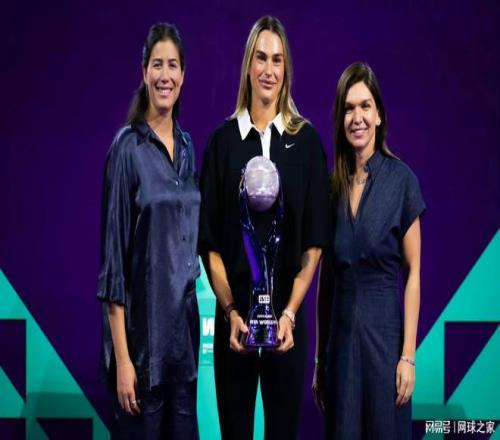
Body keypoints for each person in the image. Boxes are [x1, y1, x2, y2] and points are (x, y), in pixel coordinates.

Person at [199, 15, 331, 440]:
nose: (269, 69)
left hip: (288, 325)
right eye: (261, 58)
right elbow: (210, 244)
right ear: (248, 66)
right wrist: (231, 312)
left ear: (286, 69)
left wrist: (289, 312)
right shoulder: (222, 144)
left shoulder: (306, 143)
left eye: (277, 60)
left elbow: (314, 243)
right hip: (235, 324)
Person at [96, 23, 200, 439]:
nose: (165, 75)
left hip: (184, 353)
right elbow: (113, 268)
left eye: (173, 66)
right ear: (144, 72)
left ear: (183, 76)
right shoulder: (127, 148)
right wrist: (123, 361)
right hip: (141, 356)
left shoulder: (189, 148)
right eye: (157, 65)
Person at [313, 62, 425, 439]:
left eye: (365, 106)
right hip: (341, 350)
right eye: (348, 109)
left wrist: (407, 356)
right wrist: (320, 359)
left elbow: (413, 274)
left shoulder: (402, 182)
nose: (357, 117)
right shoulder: (332, 190)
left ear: (379, 115)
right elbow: (326, 283)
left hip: (386, 348)